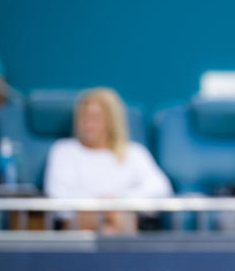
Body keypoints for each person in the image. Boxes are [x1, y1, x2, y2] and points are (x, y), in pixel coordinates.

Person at [44, 88, 172, 234]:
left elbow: (160, 188)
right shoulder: (63, 150)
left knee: (115, 223)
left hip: (121, 219)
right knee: (108, 219)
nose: (88, 124)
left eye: (96, 117)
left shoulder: (134, 152)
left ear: (111, 121)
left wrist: (118, 201)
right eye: (84, 116)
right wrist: (102, 206)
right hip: (78, 224)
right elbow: (58, 195)